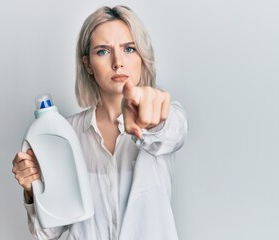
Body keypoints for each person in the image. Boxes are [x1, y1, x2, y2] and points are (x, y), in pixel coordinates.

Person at [12, 5, 188, 240]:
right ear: (87, 65)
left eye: (129, 48)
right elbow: (48, 233)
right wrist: (32, 190)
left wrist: (151, 118)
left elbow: (171, 131)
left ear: (142, 57)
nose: (118, 62)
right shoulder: (67, 133)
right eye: (103, 51)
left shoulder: (164, 116)